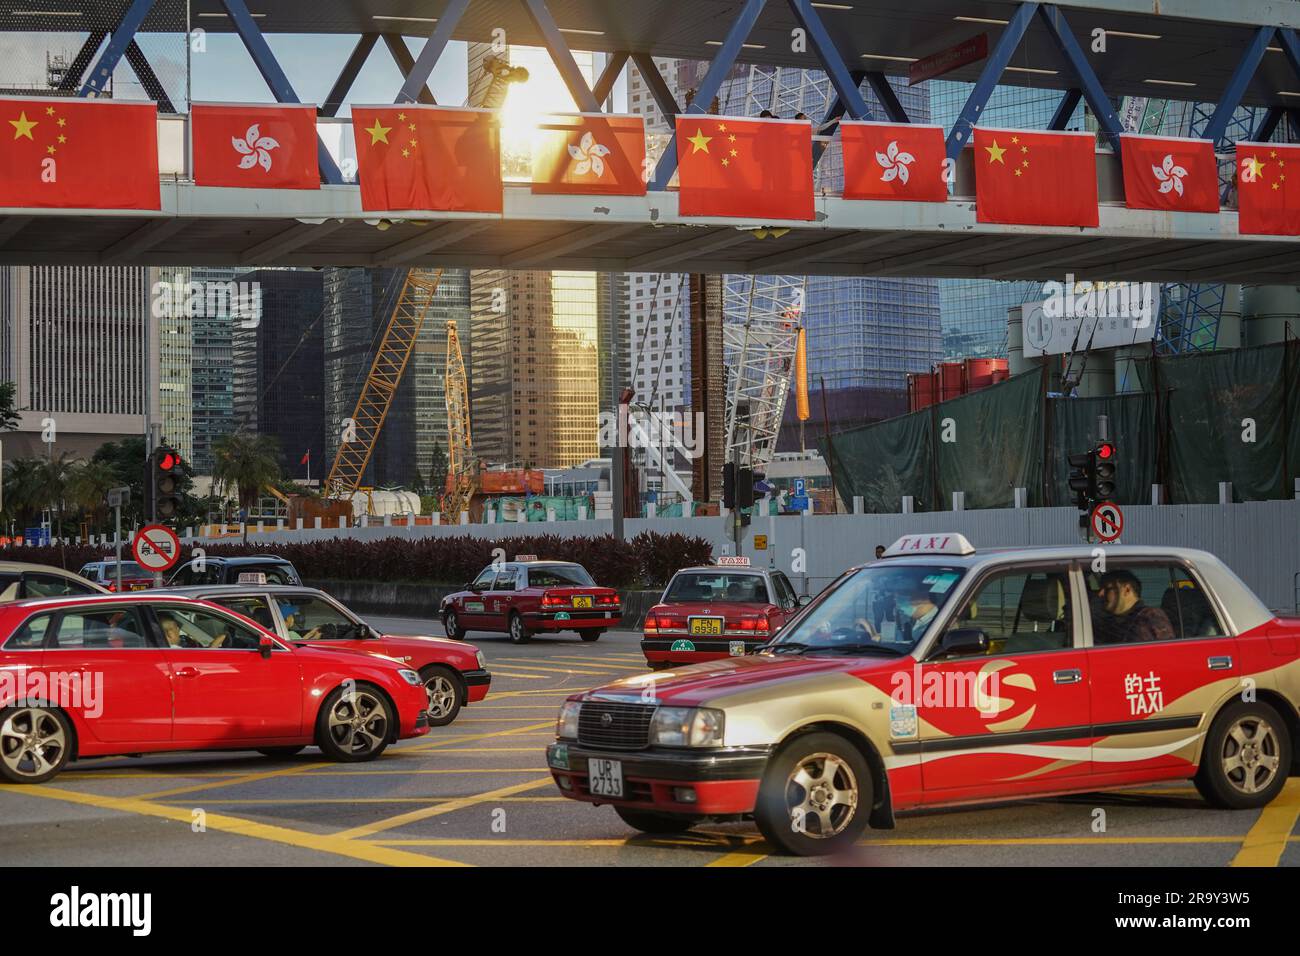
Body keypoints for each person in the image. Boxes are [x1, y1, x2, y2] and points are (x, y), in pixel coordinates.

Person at [1095, 570, 1175, 644]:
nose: (1100, 594)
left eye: (1107, 588)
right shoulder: (1110, 622)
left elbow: (1165, 654)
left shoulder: (1150, 617)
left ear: (1127, 590)